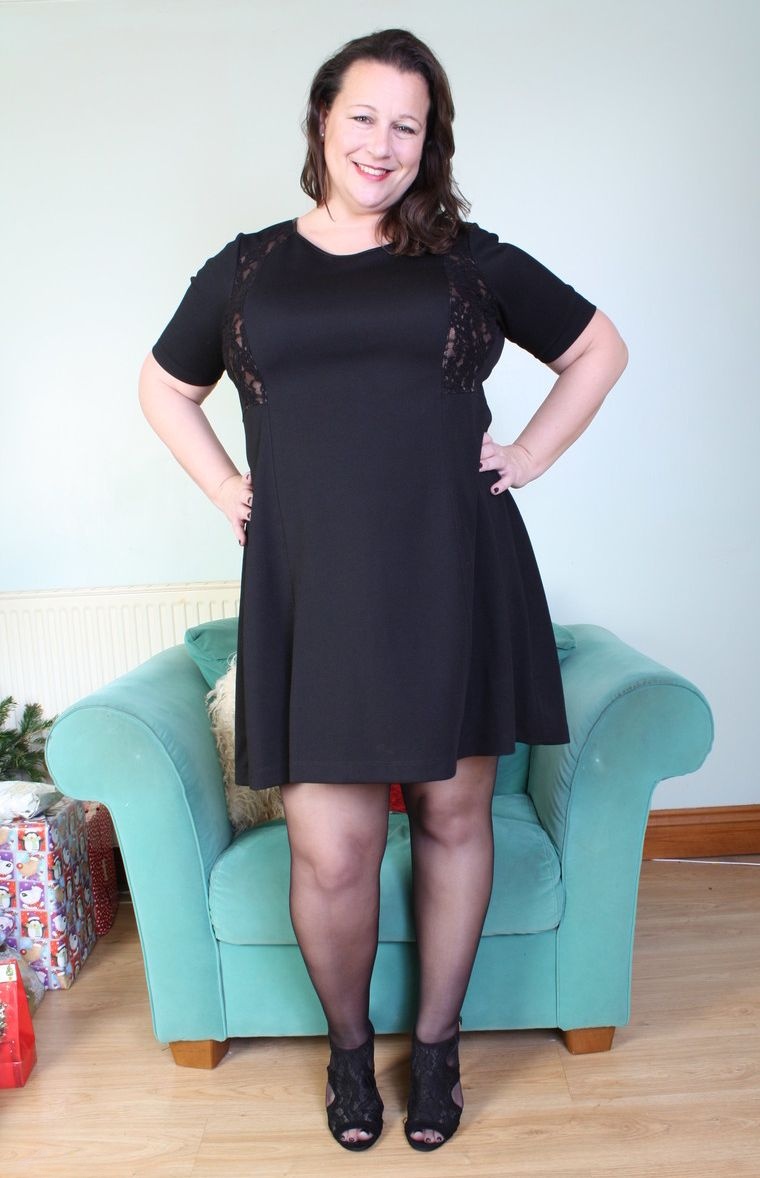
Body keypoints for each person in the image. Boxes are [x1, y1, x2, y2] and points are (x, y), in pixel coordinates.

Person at [139, 28, 627, 1152]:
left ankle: (439, 1044)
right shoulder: (248, 269)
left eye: (408, 125)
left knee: (454, 818)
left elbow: (597, 348)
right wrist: (226, 486)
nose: (382, 142)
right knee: (332, 849)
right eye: (363, 116)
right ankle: (351, 1052)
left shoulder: (468, 262)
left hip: (455, 571)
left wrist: (530, 454)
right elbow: (164, 385)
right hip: (312, 589)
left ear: (429, 143)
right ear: (322, 120)